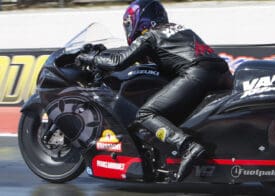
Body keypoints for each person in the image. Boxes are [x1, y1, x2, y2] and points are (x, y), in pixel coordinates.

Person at [76, 0, 232, 181]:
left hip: (197, 73)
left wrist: (91, 58)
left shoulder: (151, 35)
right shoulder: (179, 29)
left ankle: (187, 147)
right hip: (222, 73)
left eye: (128, 23)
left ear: (140, 20)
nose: (128, 28)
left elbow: (119, 62)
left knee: (146, 114)